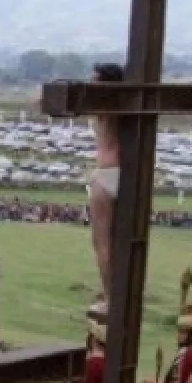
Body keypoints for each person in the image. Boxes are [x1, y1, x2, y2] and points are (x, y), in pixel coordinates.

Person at [87, 63, 124, 308]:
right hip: (125, 172)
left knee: (101, 242)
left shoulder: (101, 108)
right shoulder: (125, 105)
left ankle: (111, 298)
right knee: (121, 239)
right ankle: (120, 293)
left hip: (106, 171)